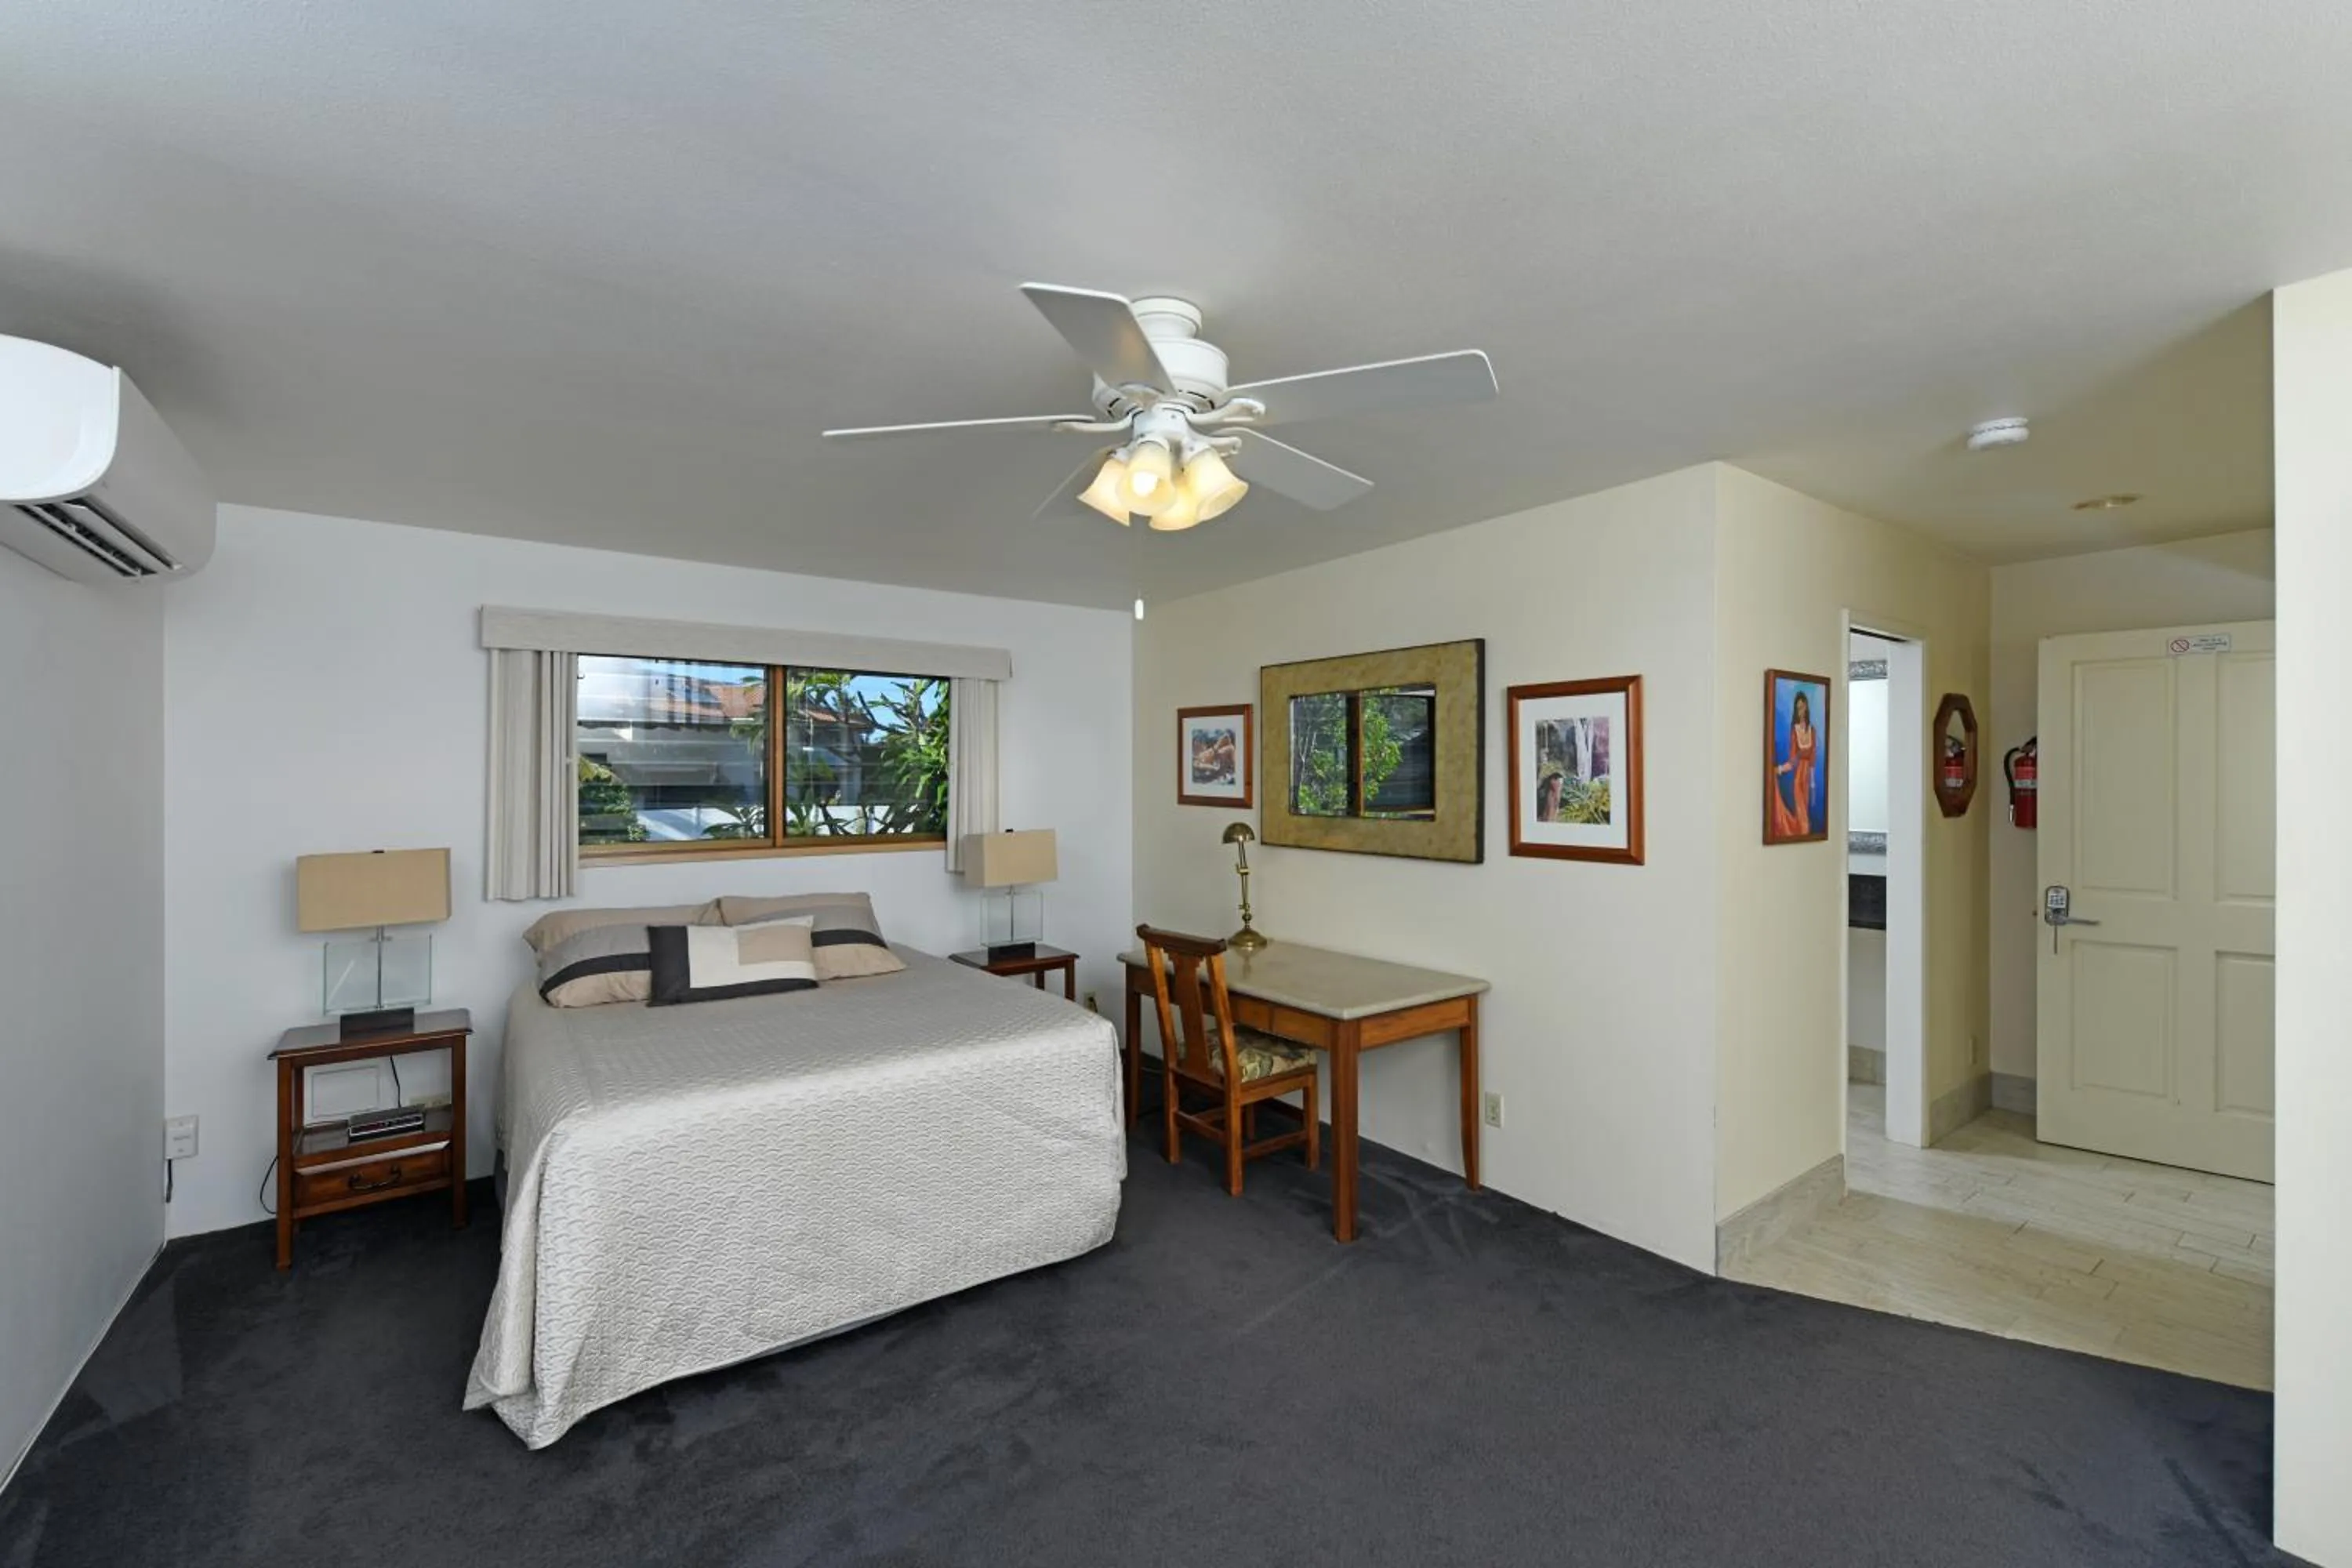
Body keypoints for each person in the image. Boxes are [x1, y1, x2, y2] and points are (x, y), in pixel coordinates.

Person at [1772, 690, 1818, 837]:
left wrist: (1813, 783)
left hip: (1807, 779)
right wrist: (1780, 769)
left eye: (1803, 707)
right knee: (1801, 813)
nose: (1801, 711)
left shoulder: (1812, 730)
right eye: (1798, 708)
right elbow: (1793, 761)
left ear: (1807, 707)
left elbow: (1813, 758)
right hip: (1798, 778)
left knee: (1805, 813)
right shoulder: (1794, 731)